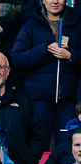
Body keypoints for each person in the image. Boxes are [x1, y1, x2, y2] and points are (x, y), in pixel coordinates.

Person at [11, 0, 81, 147]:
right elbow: (16, 58)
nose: (55, 1)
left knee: (67, 146)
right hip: (40, 98)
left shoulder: (77, 25)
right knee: (39, 145)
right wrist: (45, 49)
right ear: (43, 0)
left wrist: (71, 55)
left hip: (68, 99)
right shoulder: (31, 25)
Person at [0, 51, 46, 164]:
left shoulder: (24, 100)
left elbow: (37, 135)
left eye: (1, 67)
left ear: (8, 71)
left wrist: (28, 161)